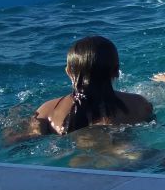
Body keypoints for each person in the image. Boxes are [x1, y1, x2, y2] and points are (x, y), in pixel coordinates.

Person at [19, 36, 154, 137]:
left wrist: (28, 126)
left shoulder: (47, 112)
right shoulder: (139, 104)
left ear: (68, 72)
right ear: (116, 71)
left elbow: (20, 142)